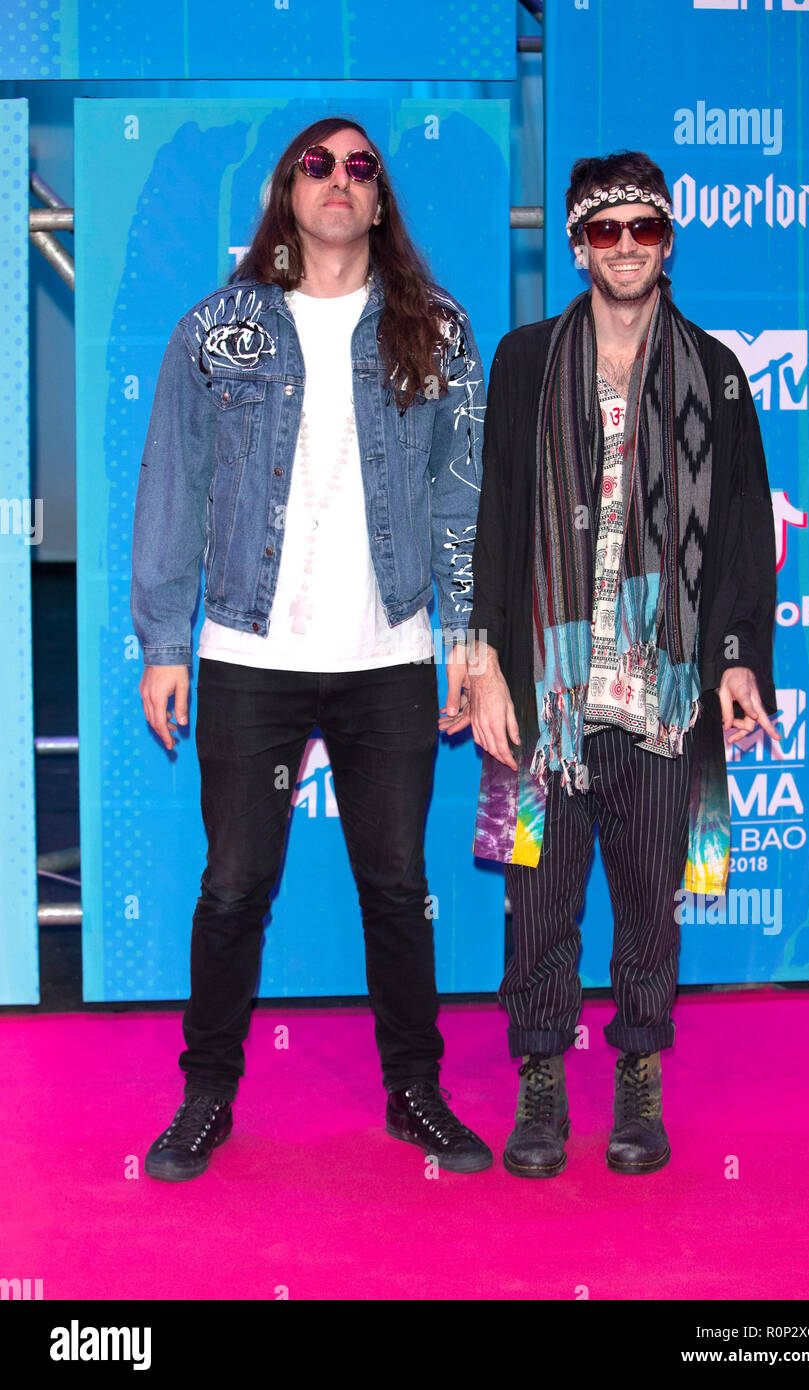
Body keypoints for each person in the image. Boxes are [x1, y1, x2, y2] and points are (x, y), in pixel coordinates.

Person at [131, 116, 491, 1180]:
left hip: (391, 649)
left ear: (380, 201)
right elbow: (172, 487)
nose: (339, 179)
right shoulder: (216, 330)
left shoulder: (437, 330)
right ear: (288, 191)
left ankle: (413, 1092)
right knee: (234, 884)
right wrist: (164, 638)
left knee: (394, 882)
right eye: (317, 164)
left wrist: (466, 637)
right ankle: (205, 1096)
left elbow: (458, 498)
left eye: (361, 167)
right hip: (249, 650)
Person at [464, 150, 779, 1178]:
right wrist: (487, 667)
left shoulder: (717, 375)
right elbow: (495, 523)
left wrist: (737, 664)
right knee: (536, 901)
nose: (627, 247)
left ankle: (637, 1074)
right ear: (576, 243)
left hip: (666, 693)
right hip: (541, 693)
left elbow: (738, 532)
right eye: (605, 231)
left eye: (644, 228)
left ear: (668, 239)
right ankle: (541, 1080)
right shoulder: (522, 363)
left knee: (651, 899)